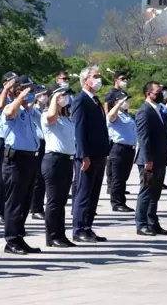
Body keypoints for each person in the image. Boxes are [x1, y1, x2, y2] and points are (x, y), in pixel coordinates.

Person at [1, 75, 41, 255]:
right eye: (28, 90)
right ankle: (11, 241)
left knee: (25, 202)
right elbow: (9, 112)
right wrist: (19, 99)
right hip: (16, 161)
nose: (31, 93)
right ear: (19, 91)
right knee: (14, 203)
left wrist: (27, 105)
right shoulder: (11, 108)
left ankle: (19, 236)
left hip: (30, 159)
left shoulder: (28, 112)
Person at [71, 66, 109, 243]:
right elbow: (79, 129)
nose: (98, 79)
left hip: (99, 153)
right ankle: (79, 228)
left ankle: (88, 227)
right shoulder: (80, 100)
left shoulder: (95, 100)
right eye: (95, 76)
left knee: (94, 193)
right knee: (84, 192)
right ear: (86, 80)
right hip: (87, 155)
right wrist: (83, 154)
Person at [134, 81, 167, 236]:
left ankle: (152, 223)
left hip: (160, 159)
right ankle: (141, 224)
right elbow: (143, 137)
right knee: (146, 190)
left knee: (155, 192)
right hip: (148, 161)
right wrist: (148, 159)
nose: (161, 94)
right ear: (148, 93)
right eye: (157, 92)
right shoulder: (144, 111)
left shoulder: (159, 110)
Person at [41, 84, 76, 248]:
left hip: (68, 160)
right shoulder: (47, 115)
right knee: (54, 201)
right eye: (62, 95)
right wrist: (55, 97)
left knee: (62, 201)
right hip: (54, 160)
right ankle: (52, 236)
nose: (65, 97)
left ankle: (60, 234)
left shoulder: (67, 118)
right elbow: (51, 117)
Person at [0, 72, 18, 226]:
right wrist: (5, 90)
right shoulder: (0, 98)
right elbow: (1, 106)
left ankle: (7, 211)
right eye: (11, 82)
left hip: (11, 142)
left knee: (9, 179)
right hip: (0, 141)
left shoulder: (14, 99)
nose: (14, 85)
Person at [106, 91, 136, 213]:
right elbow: (110, 116)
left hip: (129, 149)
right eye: (123, 100)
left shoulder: (127, 115)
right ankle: (117, 203)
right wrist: (118, 105)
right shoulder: (115, 114)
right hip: (118, 148)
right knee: (117, 178)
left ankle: (121, 201)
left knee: (123, 177)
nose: (126, 102)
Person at [30, 85, 49, 220]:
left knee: (42, 179)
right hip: (37, 143)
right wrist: (34, 98)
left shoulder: (46, 110)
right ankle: (35, 208)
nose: (44, 96)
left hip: (46, 144)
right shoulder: (33, 109)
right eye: (42, 94)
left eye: (46, 94)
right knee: (37, 178)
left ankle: (39, 206)